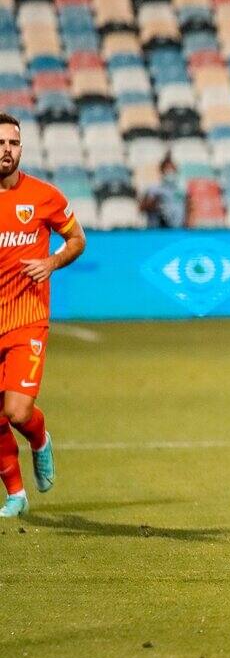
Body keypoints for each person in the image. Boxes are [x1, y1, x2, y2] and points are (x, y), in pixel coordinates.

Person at [0, 112, 86, 518]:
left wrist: (51, 263)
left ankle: (39, 439)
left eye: (13, 143)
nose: (6, 150)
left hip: (27, 318)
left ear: (21, 148)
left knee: (16, 412)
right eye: (1, 143)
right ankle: (15, 494)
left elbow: (76, 239)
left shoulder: (43, 196)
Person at [139, 155, 185, 228]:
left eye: (172, 169)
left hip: (177, 231)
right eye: (167, 170)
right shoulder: (153, 189)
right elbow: (141, 208)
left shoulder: (182, 191)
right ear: (162, 171)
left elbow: (187, 211)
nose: (170, 172)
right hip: (157, 231)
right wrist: (155, 203)